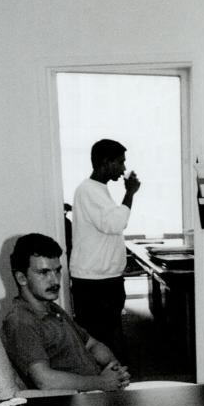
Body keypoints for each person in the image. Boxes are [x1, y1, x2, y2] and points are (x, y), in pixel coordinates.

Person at [1, 233, 131, 392]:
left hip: (97, 392)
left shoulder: (50, 307)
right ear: (22, 278)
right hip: (76, 405)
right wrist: (102, 382)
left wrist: (115, 369)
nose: (55, 280)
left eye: (57, 271)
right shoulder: (21, 321)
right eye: (44, 273)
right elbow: (44, 381)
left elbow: (91, 344)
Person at [69, 138, 141, 360]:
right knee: (102, 343)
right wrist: (130, 194)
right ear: (105, 162)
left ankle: (113, 385)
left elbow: (110, 223)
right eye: (120, 162)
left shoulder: (98, 190)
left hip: (105, 279)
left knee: (110, 338)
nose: (123, 169)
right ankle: (106, 388)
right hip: (95, 283)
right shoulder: (88, 190)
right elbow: (114, 224)